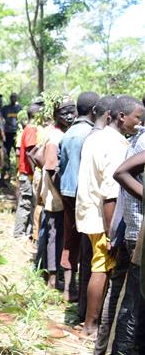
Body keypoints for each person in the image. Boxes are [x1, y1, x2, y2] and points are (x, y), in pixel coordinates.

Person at [76, 95, 143, 338]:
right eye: (137, 117)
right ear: (121, 116)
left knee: (95, 264)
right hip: (103, 217)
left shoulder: (95, 137)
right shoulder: (117, 145)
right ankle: (91, 326)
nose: (139, 122)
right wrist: (112, 233)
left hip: (89, 210)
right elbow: (111, 192)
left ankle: (87, 318)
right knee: (101, 268)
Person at [101, 96, 145, 354]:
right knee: (133, 305)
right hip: (138, 231)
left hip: (131, 228)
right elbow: (120, 173)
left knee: (130, 302)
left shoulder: (135, 138)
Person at [57, 92, 99, 302]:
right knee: (87, 245)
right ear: (94, 110)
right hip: (84, 195)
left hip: (66, 192)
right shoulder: (91, 134)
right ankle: (83, 295)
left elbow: (59, 166)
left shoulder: (68, 133)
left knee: (70, 240)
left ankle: (69, 289)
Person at [35, 99, 75, 287]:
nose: (69, 116)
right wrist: (62, 194)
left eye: (71, 111)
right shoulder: (56, 137)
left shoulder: (60, 134)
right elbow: (51, 168)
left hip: (56, 193)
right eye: (64, 112)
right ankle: (52, 277)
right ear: (55, 115)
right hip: (56, 196)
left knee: (56, 233)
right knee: (55, 234)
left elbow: (36, 155)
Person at [13, 104, 39, 238]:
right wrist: (35, 172)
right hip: (27, 173)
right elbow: (30, 153)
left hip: (27, 173)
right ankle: (19, 233)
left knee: (30, 203)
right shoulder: (31, 130)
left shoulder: (30, 129)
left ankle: (27, 232)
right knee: (26, 203)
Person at [0, 92, 21, 169]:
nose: (13, 98)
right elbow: (0, 118)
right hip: (7, 133)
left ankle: (19, 168)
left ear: (17, 98)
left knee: (18, 152)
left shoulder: (19, 108)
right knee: (6, 151)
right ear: (10, 98)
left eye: (15, 97)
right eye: (12, 97)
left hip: (16, 133)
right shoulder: (5, 108)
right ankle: (6, 168)